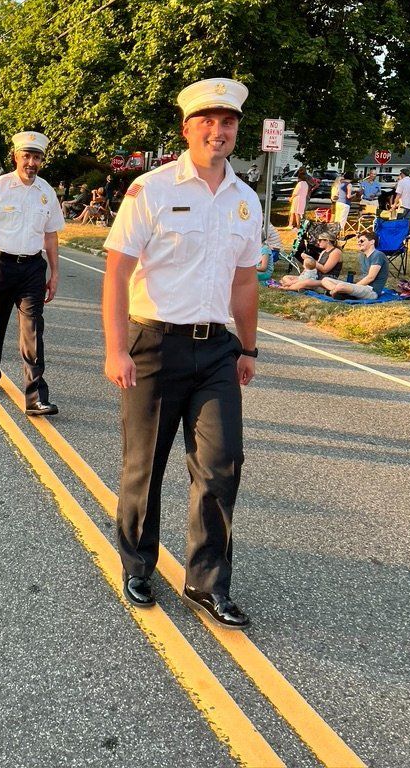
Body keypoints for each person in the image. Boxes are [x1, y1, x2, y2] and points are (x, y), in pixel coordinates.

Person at [103, 77, 260, 628]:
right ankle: (139, 564)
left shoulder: (246, 200)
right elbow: (118, 269)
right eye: (208, 122)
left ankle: (206, 581)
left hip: (217, 349)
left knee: (220, 466)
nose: (219, 132)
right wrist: (117, 348)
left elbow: (244, 282)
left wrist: (248, 347)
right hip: (154, 345)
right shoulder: (151, 189)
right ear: (187, 129)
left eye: (229, 123)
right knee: (144, 467)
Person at [0, 130, 66, 415]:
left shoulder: (46, 192)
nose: (31, 162)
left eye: (36, 157)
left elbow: (51, 236)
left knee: (33, 330)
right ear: (16, 157)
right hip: (0, 265)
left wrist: (55, 273)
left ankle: (36, 396)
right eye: (27, 156)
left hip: (33, 269)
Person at [320, 229, 389, 300]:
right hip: (361, 287)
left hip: (371, 291)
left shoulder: (378, 255)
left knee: (341, 286)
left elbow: (370, 277)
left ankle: (338, 292)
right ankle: (341, 293)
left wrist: (354, 286)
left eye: (362, 241)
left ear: (372, 242)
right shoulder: (362, 256)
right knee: (325, 280)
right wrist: (353, 287)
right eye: (358, 241)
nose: (359, 243)